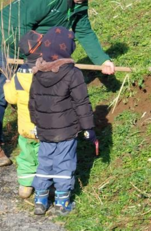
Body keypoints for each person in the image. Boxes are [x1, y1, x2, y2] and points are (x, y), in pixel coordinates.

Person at [0, 0, 115, 166]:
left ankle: (34, 138)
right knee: (1, 93)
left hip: (35, 47)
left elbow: (84, 31)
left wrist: (102, 60)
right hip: (6, 40)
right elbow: (22, 25)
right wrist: (36, 57)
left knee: (34, 91)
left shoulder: (78, 3)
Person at [28, 26, 98, 215]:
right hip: (66, 130)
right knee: (64, 163)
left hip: (44, 129)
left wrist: (36, 123)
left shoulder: (38, 72)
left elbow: (32, 101)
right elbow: (81, 102)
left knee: (44, 162)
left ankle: (40, 199)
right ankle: (62, 201)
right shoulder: (72, 73)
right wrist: (88, 128)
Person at [3, 30, 43, 199]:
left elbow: (10, 98)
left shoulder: (19, 75)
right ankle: (44, 184)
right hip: (45, 127)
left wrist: (7, 84)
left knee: (27, 156)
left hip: (25, 128)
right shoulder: (46, 74)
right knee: (44, 156)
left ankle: (25, 187)